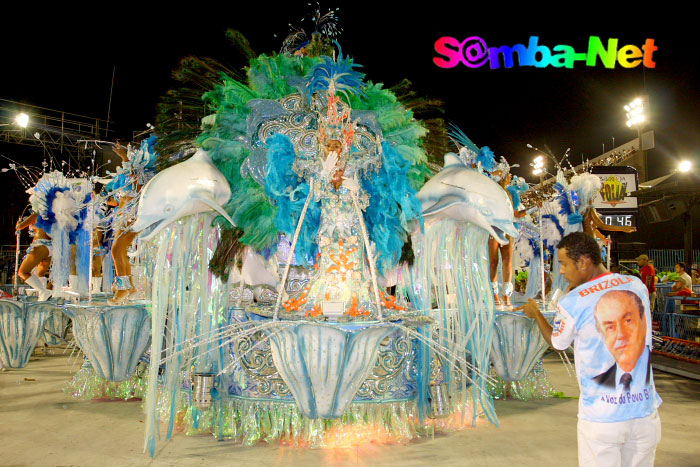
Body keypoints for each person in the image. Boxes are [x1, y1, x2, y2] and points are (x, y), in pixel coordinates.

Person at [517, 232, 661, 466]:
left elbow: (558, 343)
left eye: (563, 264)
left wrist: (536, 315)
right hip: (645, 413)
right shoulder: (636, 285)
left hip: (602, 418)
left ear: (583, 262)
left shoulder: (573, 301)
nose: (561, 271)